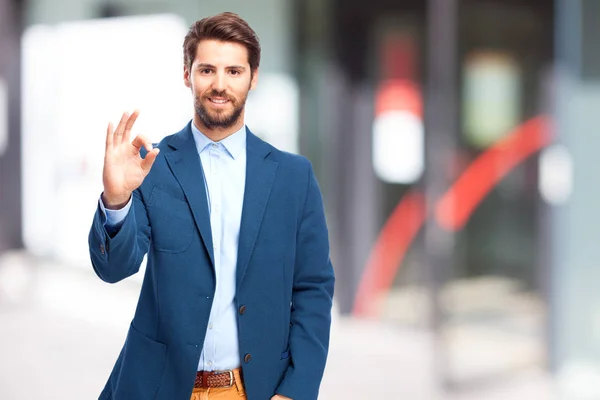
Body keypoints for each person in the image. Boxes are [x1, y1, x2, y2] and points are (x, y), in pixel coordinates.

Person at [88, 11, 335, 400]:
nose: (220, 85)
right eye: (207, 70)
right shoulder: (153, 165)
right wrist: (116, 199)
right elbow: (114, 268)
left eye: (234, 72)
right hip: (158, 387)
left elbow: (313, 289)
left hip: (251, 389)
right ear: (187, 74)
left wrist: (297, 389)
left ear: (254, 77)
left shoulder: (293, 177)